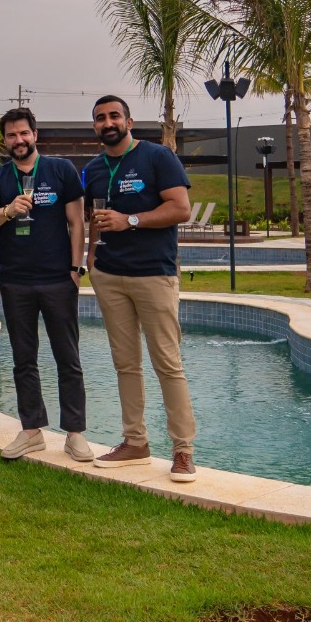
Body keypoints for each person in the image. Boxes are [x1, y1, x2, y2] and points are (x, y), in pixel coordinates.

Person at [84, 94, 196, 482]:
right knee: (125, 364)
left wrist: (129, 220)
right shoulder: (93, 169)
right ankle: (135, 442)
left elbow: (181, 208)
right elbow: (94, 218)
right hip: (109, 276)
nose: (108, 122)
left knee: (167, 363)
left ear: (129, 122)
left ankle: (183, 450)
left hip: (153, 274)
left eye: (114, 116)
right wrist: (91, 260)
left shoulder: (157, 157)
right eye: (100, 118)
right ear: (95, 127)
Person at [0, 107, 92, 462]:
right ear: (5, 140)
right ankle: (31, 431)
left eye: (24, 133)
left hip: (58, 279)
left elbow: (77, 222)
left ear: (35, 134)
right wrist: (9, 210)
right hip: (15, 281)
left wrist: (75, 269)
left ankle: (75, 433)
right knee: (23, 359)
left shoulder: (61, 170)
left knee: (67, 356)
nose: (19, 140)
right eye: (12, 135)